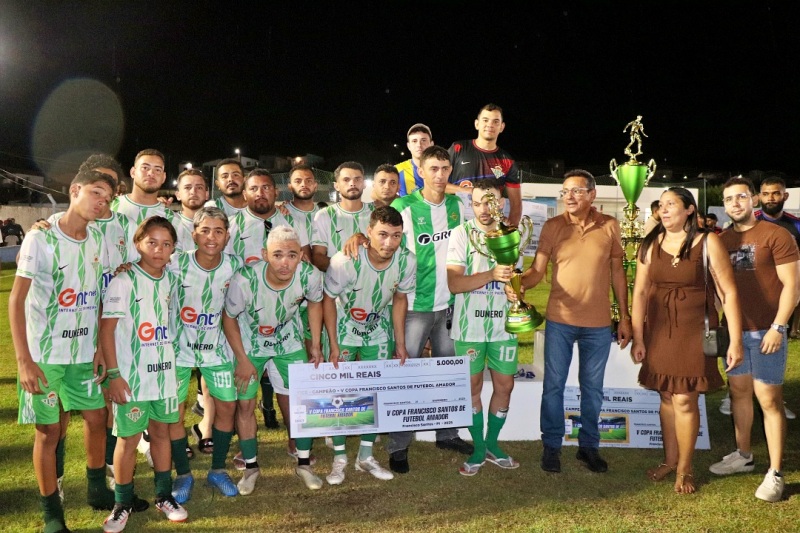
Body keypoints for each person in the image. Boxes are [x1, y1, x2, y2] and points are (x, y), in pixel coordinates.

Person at [11, 169, 116, 533]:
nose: (101, 202)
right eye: (96, 192)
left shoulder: (98, 238)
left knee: (97, 418)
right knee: (49, 430)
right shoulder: (40, 238)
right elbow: (16, 300)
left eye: (107, 199)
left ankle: (96, 488)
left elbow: (99, 296)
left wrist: (99, 347)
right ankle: (52, 514)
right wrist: (24, 360)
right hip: (45, 356)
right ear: (75, 190)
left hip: (84, 353)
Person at [630, 187, 742, 495]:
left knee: (684, 399)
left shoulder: (708, 242)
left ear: (689, 209)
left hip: (694, 332)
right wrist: (638, 336)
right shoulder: (650, 244)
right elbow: (639, 293)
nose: (664, 210)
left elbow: (728, 293)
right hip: (659, 331)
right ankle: (669, 460)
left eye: (671, 204)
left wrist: (735, 340)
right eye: (661, 205)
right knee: (666, 396)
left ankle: (685, 468)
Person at [519, 169, 631, 474]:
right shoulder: (553, 226)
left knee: (593, 389)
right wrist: (519, 284)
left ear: (592, 194)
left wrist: (624, 316)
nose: (569, 196)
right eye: (565, 191)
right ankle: (552, 446)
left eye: (577, 191)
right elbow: (537, 271)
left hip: (598, 323)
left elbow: (618, 273)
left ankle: (588, 447)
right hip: (560, 320)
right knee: (553, 386)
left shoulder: (610, 225)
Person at [709, 177, 799, 502]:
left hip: (766, 332)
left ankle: (775, 472)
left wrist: (778, 327)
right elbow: (719, 291)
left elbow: (793, 287)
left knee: (769, 400)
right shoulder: (720, 240)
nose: (735, 203)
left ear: (754, 200)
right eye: (729, 199)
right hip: (735, 333)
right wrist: (714, 323)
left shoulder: (777, 235)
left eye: (741, 197)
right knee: (739, 394)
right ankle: (743, 454)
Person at [387, 145, 473, 473]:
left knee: (447, 374)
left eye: (444, 168)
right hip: (414, 306)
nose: (439, 174)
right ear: (420, 171)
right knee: (404, 375)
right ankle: (398, 445)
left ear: (451, 171)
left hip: (449, 305)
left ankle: (447, 433)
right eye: (433, 168)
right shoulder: (403, 206)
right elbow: (382, 240)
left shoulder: (457, 206)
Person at [222, 225, 325, 491]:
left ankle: (304, 464)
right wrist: (242, 359)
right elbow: (229, 318)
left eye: (291, 255)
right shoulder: (244, 279)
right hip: (250, 344)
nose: (285, 262)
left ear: (300, 255)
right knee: (245, 403)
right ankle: (251, 468)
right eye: (277, 255)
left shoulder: (310, 275)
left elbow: (315, 302)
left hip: (288, 340)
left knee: (302, 399)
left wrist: (315, 344)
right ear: (264, 255)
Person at [100, 216, 187, 531]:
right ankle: (122, 503)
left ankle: (164, 496)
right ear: (138, 244)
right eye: (152, 242)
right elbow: (107, 330)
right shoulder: (123, 280)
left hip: (164, 375)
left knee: (162, 433)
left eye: (166, 244)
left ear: (173, 249)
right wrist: (114, 375)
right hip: (132, 379)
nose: (159, 250)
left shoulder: (172, 280)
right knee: (128, 439)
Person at [322, 206, 415, 484]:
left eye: (396, 236)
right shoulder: (345, 260)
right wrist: (333, 343)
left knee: (375, 390)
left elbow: (400, 299)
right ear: (369, 232)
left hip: (378, 330)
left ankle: (365, 455)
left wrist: (400, 343)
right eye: (383, 234)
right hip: (344, 329)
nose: (389, 242)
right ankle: (340, 457)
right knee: (338, 391)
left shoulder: (407, 260)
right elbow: (328, 299)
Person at [167, 207, 243, 503]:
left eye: (218, 231)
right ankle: (183, 474)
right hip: (179, 349)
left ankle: (218, 470)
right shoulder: (175, 262)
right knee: (174, 412)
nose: (212, 237)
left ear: (227, 236)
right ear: (194, 234)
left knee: (227, 408)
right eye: (205, 230)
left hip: (217, 349)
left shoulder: (235, 265)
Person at [447, 179, 519, 476]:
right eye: (476, 203)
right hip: (469, 327)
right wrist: (491, 274)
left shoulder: (512, 234)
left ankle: (492, 443)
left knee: (506, 386)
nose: (483, 209)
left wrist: (516, 290)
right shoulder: (461, 234)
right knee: (472, 388)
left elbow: (519, 277)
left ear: (500, 203)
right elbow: (454, 283)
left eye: (489, 202)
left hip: (503, 325)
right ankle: (478, 447)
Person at [447, 103, 522, 227]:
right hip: (458, 224)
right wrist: (465, 191)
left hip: (490, 229)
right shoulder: (458, 148)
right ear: (477, 124)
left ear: (502, 127)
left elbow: (516, 204)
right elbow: (437, 185)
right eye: (485, 120)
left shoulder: (507, 161)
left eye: (495, 121)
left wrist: (511, 231)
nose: (490, 125)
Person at [225, 169, 310, 265]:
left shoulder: (295, 223)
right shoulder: (230, 225)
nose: (260, 194)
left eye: (265, 187)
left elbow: (306, 264)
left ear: (276, 192)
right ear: (245, 195)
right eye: (253, 189)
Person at [311, 161, 373, 272]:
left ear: (364, 184)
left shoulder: (376, 213)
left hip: (369, 281)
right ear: (336, 186)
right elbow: (318, 257)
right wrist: (347, 272)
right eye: (346, 180)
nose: (352, 183)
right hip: (337, 282)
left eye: (357, 179)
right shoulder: (324, 215)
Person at [111, 149, 174, 225]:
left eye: (157, 170)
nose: (151, 173)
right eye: (145, 168)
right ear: (133, 172)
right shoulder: (110, 206)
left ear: (164, 177)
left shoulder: (173, 219)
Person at [173, 168, 210, 252]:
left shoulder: (217, 224)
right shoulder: (170, 222)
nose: (193, 192)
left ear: (207, 194)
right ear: (178, 195)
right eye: (187, 187)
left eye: (199, 187)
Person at [396, 123, 433, 197]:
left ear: (431, 144)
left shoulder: (443, 168)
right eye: (414, 141)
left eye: (423, 140)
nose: (419, 145)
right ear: (408, 146)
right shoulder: (397, 170)